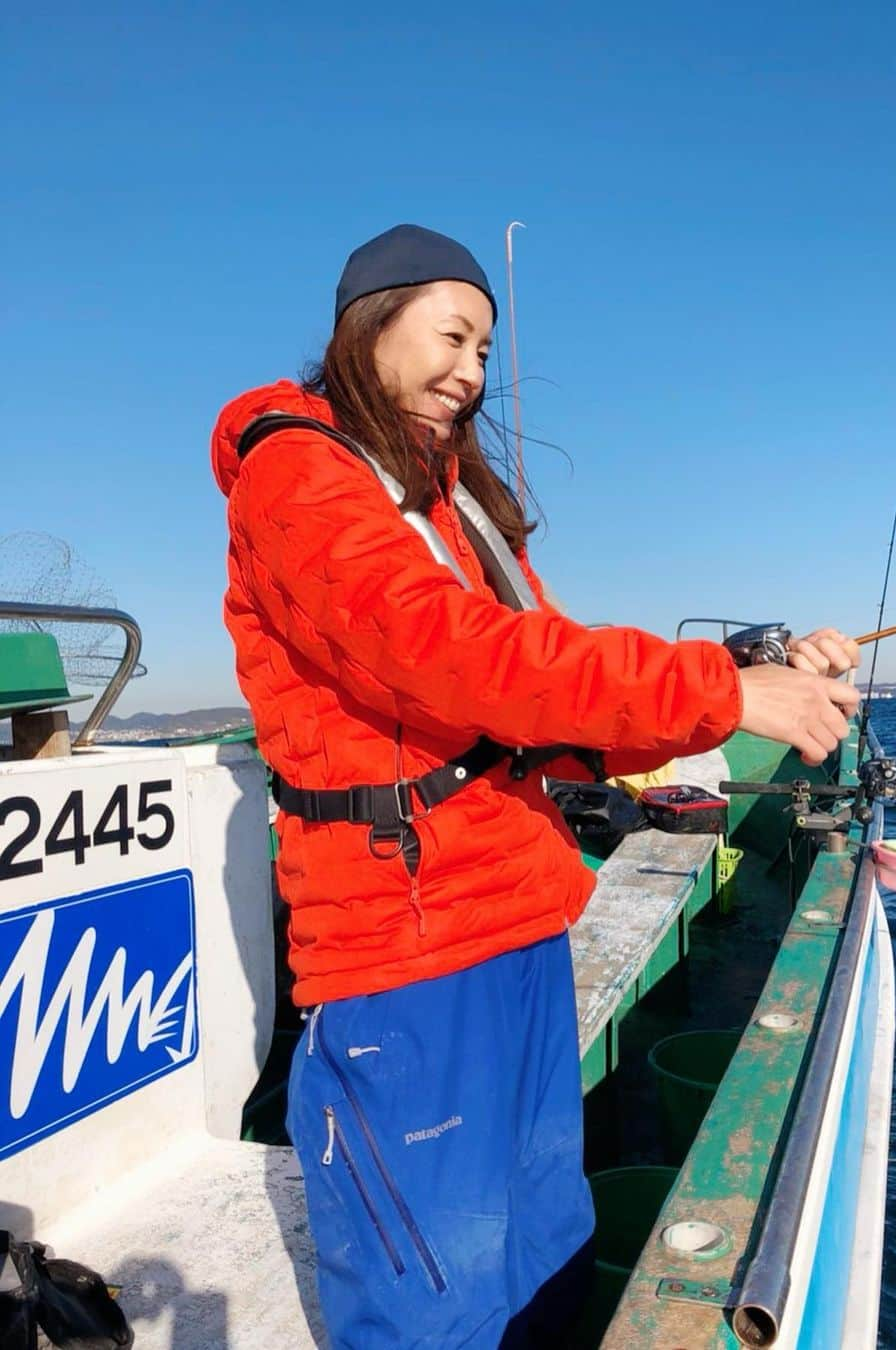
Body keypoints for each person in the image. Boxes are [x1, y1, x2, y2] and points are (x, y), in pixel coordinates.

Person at [210, 223, 860, 1350]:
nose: (470, 370)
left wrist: (753, 682)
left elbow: (545, 687)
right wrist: (723, 693)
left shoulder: (455, 505)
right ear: (370, 323)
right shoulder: (297, 469)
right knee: (435, 1293)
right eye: (452, 335)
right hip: (404, 949)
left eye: (482, 348)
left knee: (545, 1247)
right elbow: (449, 651)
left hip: (519, 915)